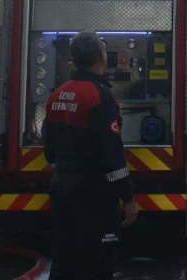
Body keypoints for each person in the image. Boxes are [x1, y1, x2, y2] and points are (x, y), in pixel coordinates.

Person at [43, 31, 139, 280]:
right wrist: (127, 197)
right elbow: (112, 155)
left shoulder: (57, 95)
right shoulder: (100, 97)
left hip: (62, 189)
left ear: (74, 59)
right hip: (94, 195)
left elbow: (49, 150)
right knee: (98, 263)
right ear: (101, 57)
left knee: (64, 260)